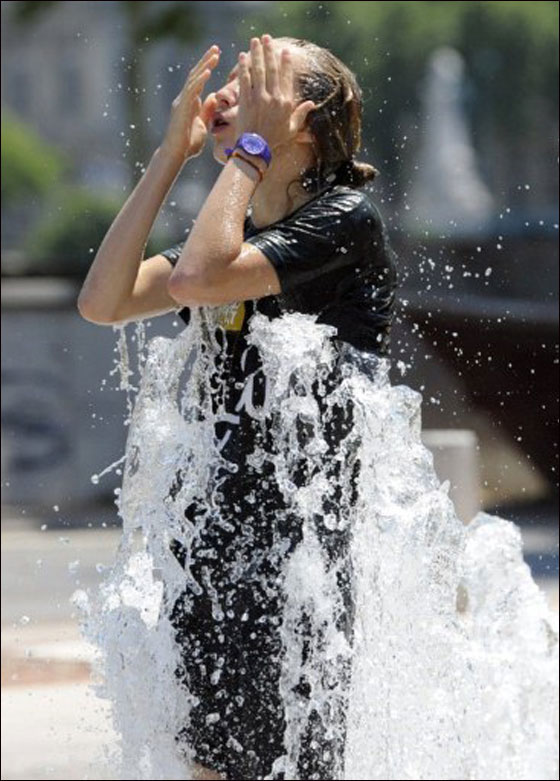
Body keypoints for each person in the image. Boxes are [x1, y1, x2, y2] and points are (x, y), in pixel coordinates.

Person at [78, 34, 398, 781]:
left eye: (255, 82)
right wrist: (171, 156)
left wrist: (248, 151)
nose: (226, 93)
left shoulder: (345, 219)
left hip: (295, 551)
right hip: (214, 537)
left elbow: (197, 280)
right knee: (207, 764)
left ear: (303, 122)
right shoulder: (240, 234)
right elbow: (104, 301)